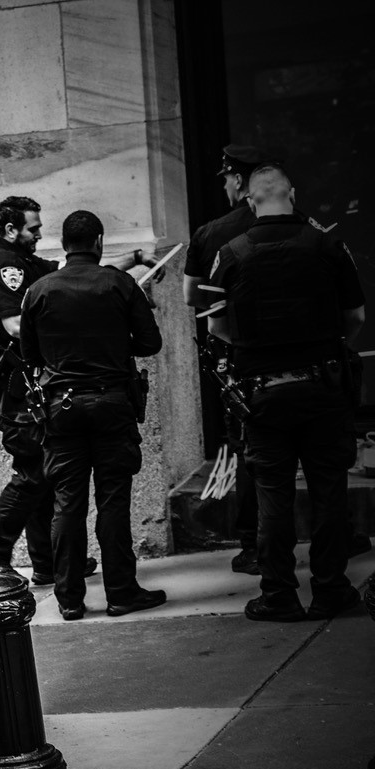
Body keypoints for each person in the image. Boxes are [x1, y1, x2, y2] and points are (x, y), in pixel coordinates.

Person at [208, 164, 365, 622]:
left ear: (250, 200)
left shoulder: (231, 251)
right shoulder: (328, 245)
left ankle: (279, 594)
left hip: (263, 395)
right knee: (328, 492)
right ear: (291, 194)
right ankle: (331, 590)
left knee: (273, 499)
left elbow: (217, 324)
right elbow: (355, 316)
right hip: (322, 389)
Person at [0, 197, 153, 583]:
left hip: (31, 376)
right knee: (34, 470)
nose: (40, 234)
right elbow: (16, 327)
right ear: (10, 230)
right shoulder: (6, 265)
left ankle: (48, 563)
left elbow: (80, 272)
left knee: (46, 468)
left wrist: (134, 259)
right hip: (15, 379)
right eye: (33, 228)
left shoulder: (29, 263)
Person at [20, 210, 166, 621]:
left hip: (61, 409)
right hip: (112, 404)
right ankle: (121, 592)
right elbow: (150, 343)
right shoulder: (119, 284)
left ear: (64, 244)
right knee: (113, 500)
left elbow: (30, 356)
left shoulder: (39, 290)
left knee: (67, 504)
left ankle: (69, 599)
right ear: (99, 241)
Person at [185, 144, 273, 574]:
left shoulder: (214, 233)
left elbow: (191, 298)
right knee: (316, 449)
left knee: (250, 449)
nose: (222, 184)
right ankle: (338, 538)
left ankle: (256, 545)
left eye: (225, 177)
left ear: (238, 179)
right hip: (308, 359)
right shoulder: (307, 228)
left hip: (241, 360)